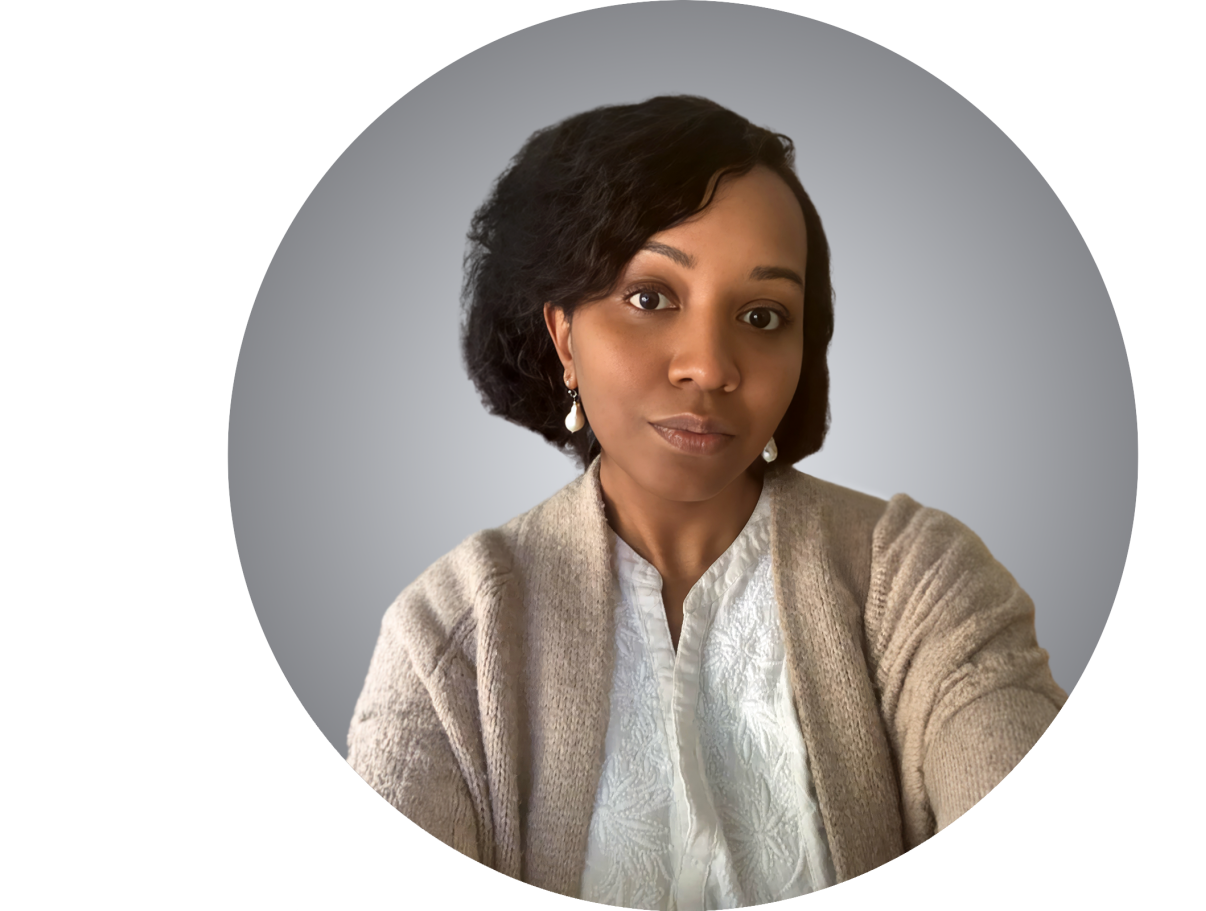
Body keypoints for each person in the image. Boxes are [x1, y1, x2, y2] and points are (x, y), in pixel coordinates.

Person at [347, 95, 1067, 907]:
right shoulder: (450, 636)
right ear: (564, 337)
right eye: (651, 297)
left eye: (762, 315)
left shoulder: (920, 583)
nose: (711, 366)